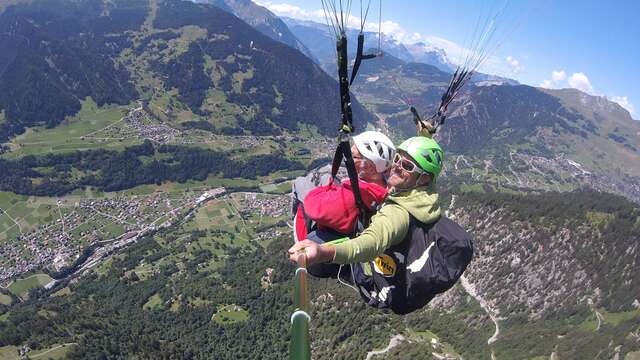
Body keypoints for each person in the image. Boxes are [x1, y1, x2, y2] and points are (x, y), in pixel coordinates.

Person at [289, 136, 472, 314]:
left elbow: (370, 243)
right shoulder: (425, 196)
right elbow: (413, 170)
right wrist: (424, 135)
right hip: (398, 270)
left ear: (423, 178)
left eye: (407, 166)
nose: (397, 167)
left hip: (369, 278)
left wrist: (323, 252)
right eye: (398, 159)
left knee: (312, 225)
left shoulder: (396, 214)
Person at [292, 131, 395, 242]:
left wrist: (326, 189)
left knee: (299, 184)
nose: (348, 158)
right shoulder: (385, 187)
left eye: (353, 156)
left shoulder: (350, 197)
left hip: (327, 230)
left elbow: (312, 207)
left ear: (370, 167)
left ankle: (300, 241)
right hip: (353, 219)